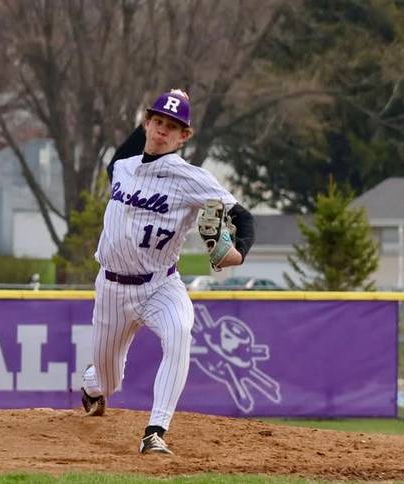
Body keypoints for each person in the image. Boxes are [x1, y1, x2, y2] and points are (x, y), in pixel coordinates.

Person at [80, 89, 255, 455]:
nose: (162, 131)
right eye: (157, 121)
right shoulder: (123, 169)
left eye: (172, 126)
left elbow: (241, 215)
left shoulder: (191, 178)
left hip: (161, 284)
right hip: (112, 287)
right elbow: (119, 157)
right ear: (146, 123)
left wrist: (239, 253)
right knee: (109, 381)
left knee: (179, 333)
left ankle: (155, 430)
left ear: (184, 136)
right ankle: (93, 385)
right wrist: (160, 109)